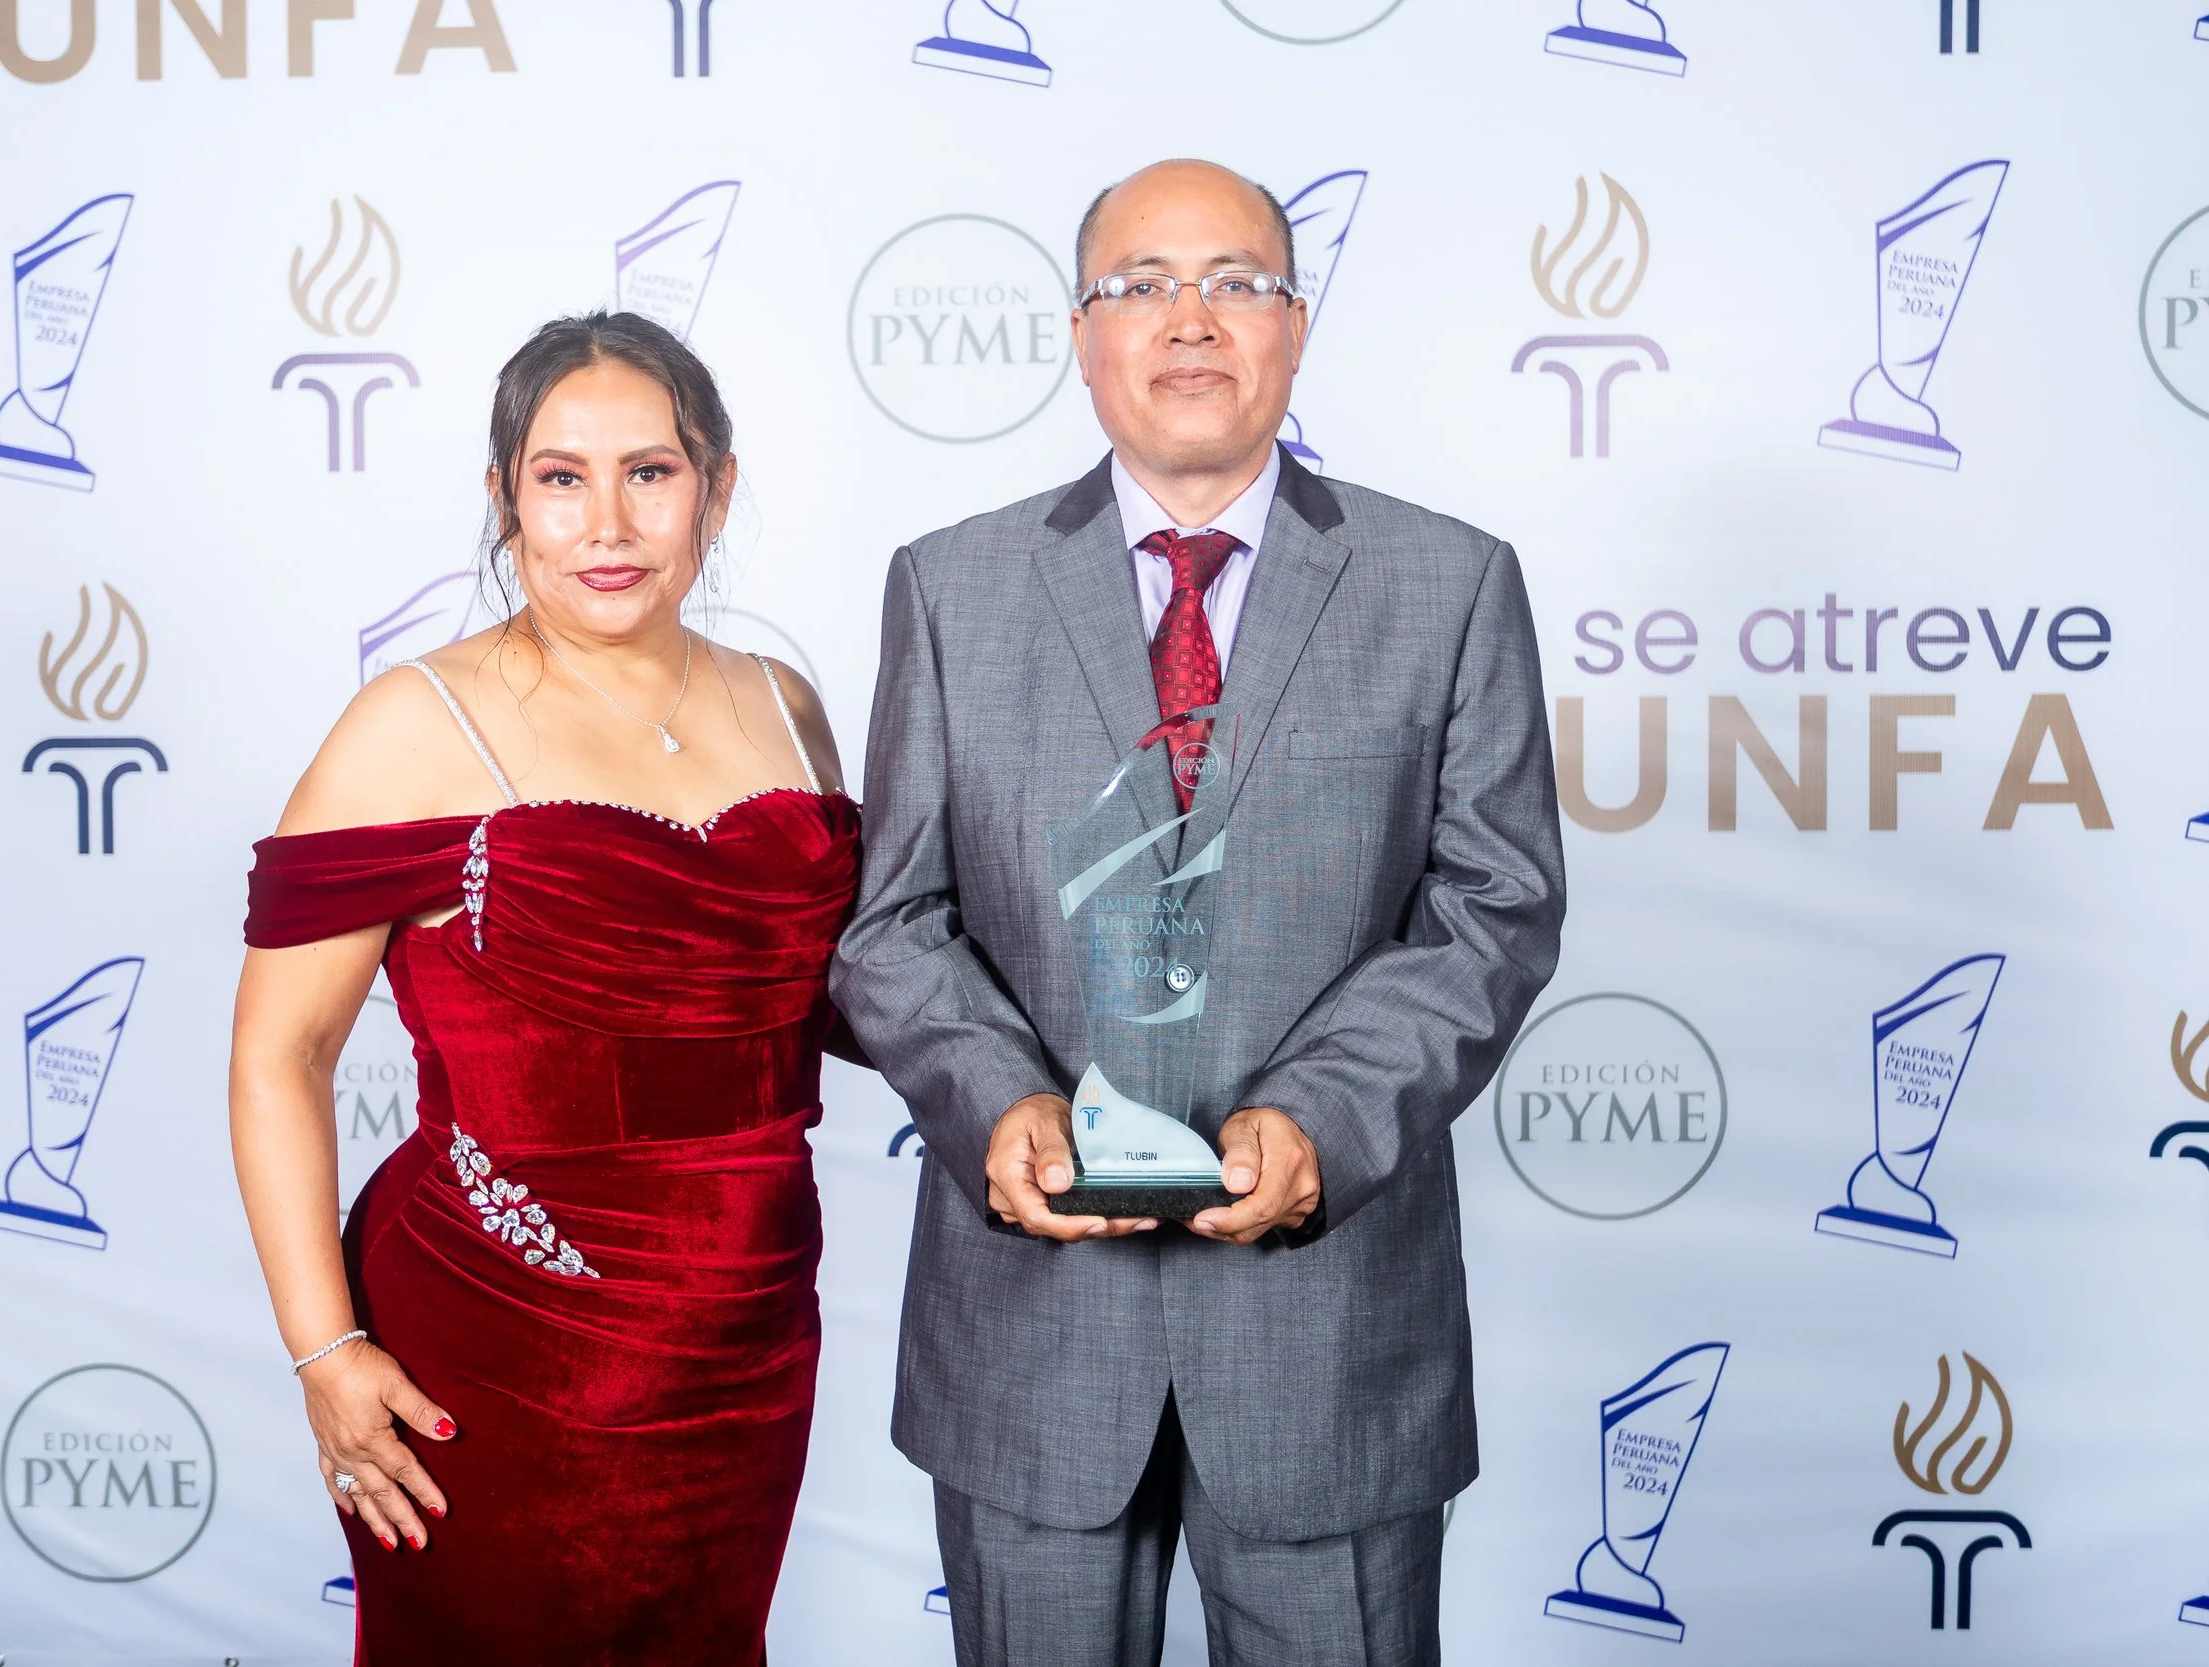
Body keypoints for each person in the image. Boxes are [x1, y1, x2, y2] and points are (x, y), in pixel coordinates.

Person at [831, 160, 1565, 1666]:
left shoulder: (1451, 584)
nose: (1190, 319)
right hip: (1033, 1339)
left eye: (1237, 281)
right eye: (1141, 284)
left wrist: (1324, 1121)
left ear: (1296, 325)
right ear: (1080, 333)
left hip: (1329, 1337)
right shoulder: (951, 590)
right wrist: (1000, 1103)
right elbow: (894, 920)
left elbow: (1495, 907)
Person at [229, 311, 858, 1665]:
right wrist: (324, 1352)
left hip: (749, 1339)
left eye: (651, 472)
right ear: (506, 499)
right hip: (495, 1342)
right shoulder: (412, 722)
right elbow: (282, 1054)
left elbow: (825, 992)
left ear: (717, 489)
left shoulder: (785, 702)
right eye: (562, 478)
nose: (607, 523)